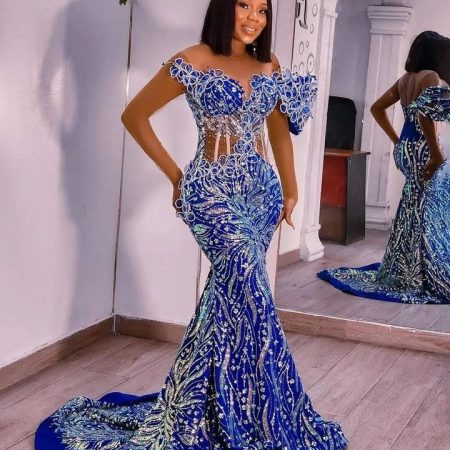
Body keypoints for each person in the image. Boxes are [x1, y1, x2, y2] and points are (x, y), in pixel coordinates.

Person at [35, 0, 348, 448]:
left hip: (261, 195)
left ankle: (207, 405)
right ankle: (270, 412)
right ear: (224, 7)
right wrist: (176, 177)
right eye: (244, 5)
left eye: (262, 10)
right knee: (251, 292)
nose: (254, 18)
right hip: (210, 191)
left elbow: (278, 129)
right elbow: (134, 116)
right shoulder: (193, 59)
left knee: (228, 299)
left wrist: (291, 188)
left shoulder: (270, 64)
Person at [318, 30, 450, 304]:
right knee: (425, 208)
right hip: (424, 148)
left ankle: (405, 264)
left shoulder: (405, 79)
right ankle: (421, 269)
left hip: (406, 146)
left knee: (413, 204)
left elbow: (377, 108)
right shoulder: (431, 77)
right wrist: (436, 154)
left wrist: (396, 140)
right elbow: (425, 116)